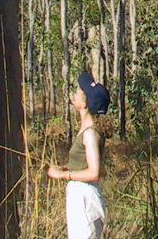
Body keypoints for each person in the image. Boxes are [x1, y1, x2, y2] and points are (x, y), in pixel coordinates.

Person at [49, 71, 110, 239]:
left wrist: (63, 175)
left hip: (85, 196)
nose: (75, 92)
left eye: (79, 91)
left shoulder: (90, 134)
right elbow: (84, 162)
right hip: (79, 193)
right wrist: (65, 167)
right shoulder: (86, 130)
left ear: (84, 104)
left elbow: (93, 173)